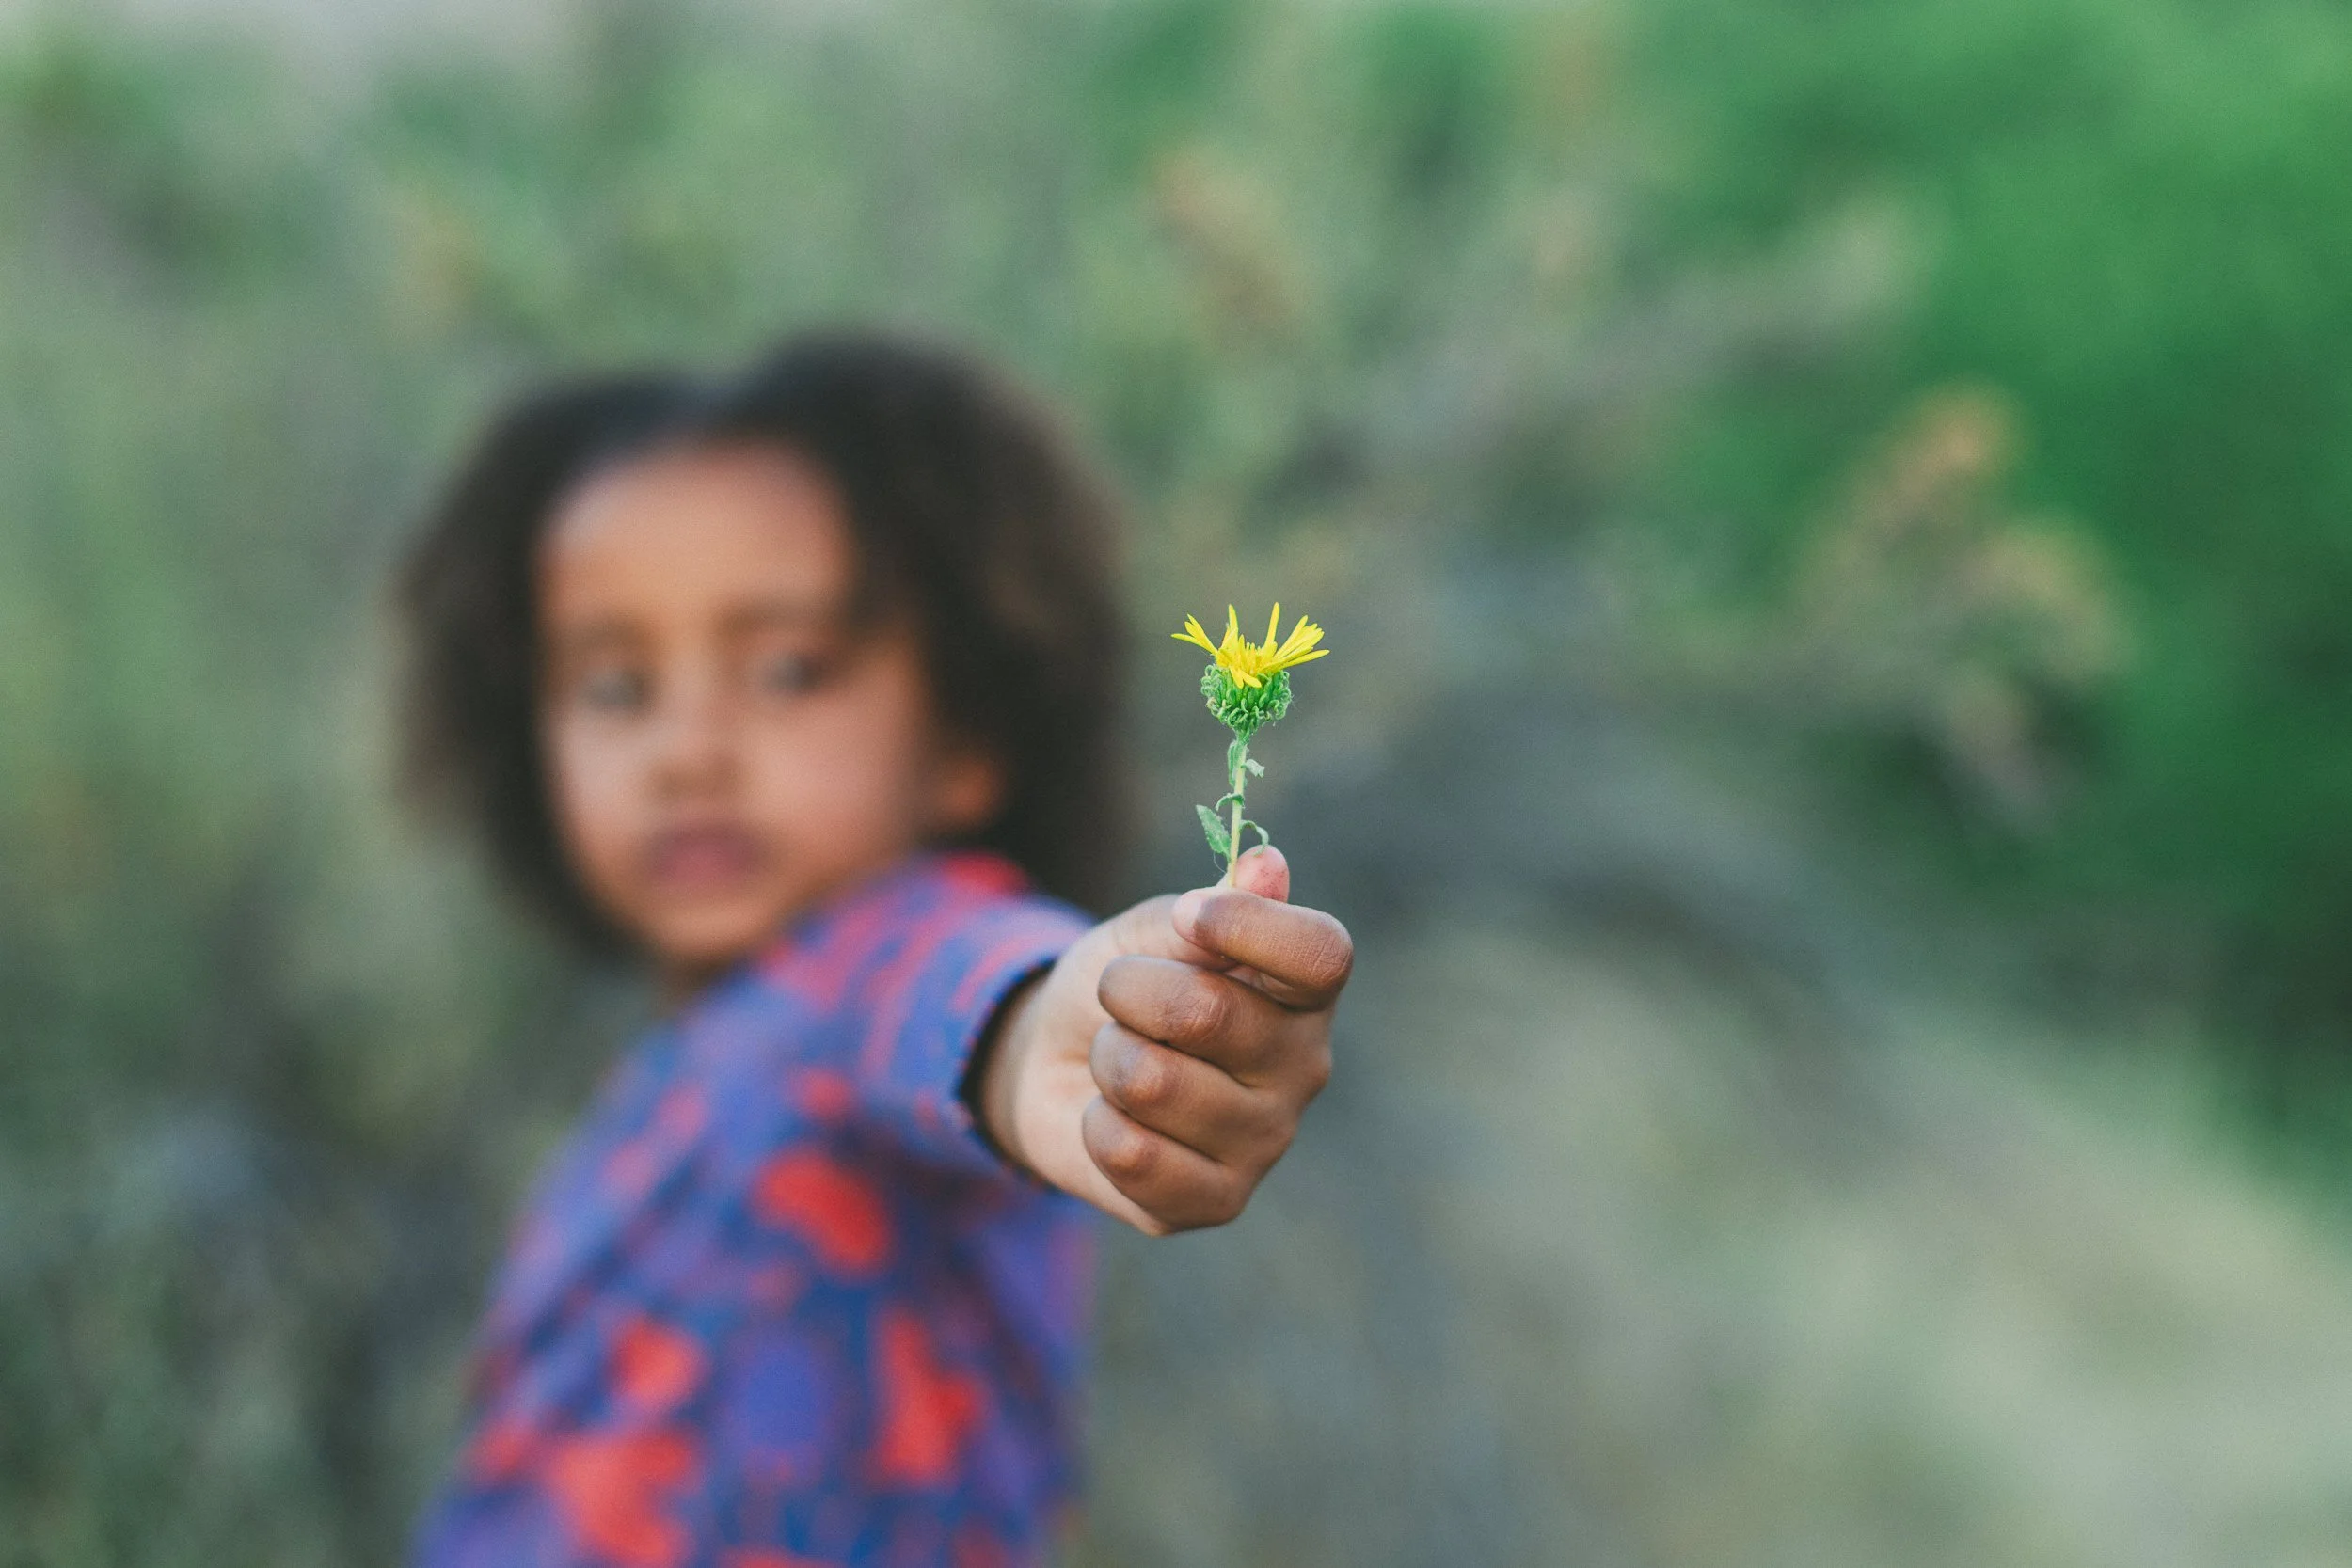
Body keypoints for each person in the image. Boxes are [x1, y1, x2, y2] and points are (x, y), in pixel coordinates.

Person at [395, 331, 1350, 1567]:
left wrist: (1088, 1026)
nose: (689, 750)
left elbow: (978, 994)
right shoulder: (691, 1054)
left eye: (788, 670)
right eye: (619, 685)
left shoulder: (879, 963)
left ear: (966, 733)